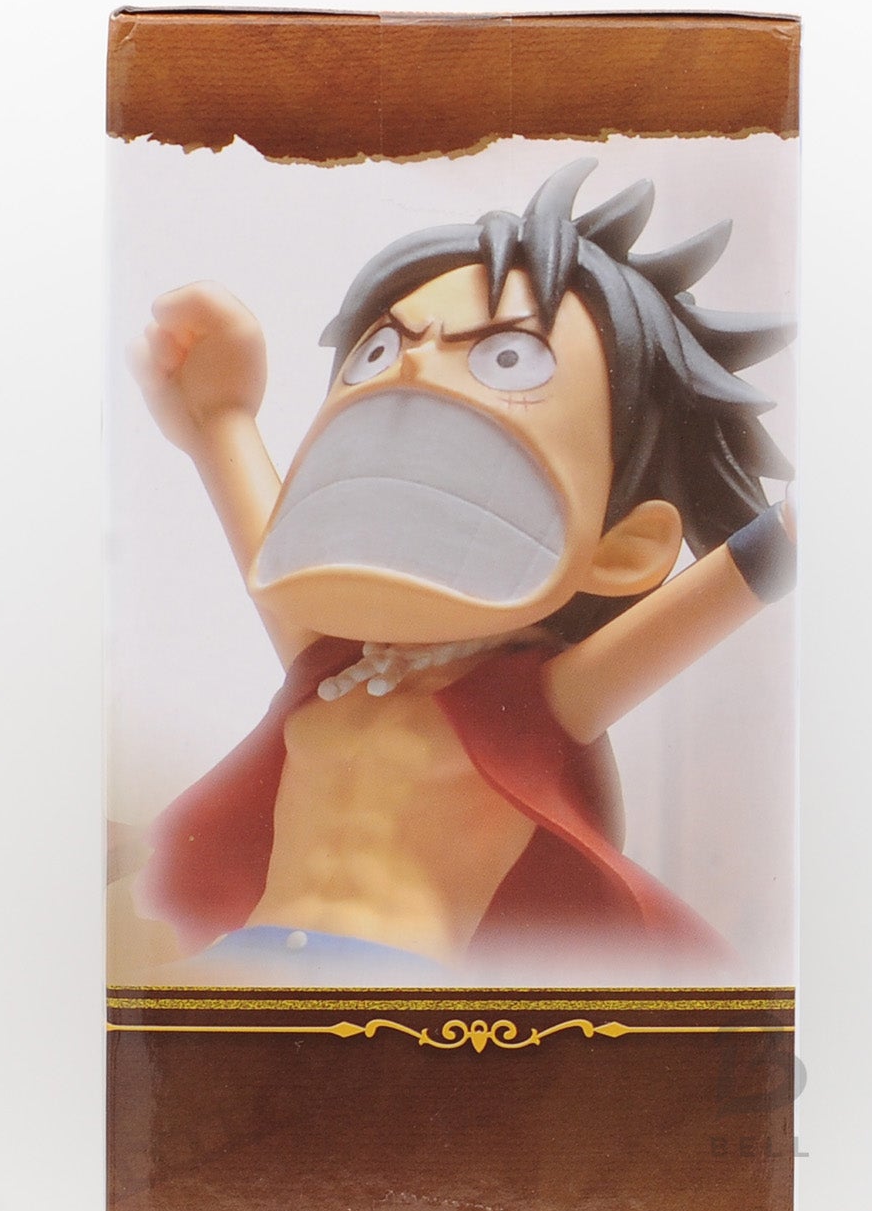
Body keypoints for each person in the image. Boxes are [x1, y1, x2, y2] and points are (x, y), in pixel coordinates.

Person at [127, 160, 794, 980]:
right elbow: (276, 557)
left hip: (392, 993)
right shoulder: (333, 671)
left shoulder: (542, 703)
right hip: (244, 971)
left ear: (624, 549)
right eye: (381, 350)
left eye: (508, 359)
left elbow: (741, 576)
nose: (412, 369)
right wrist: (221, 415)